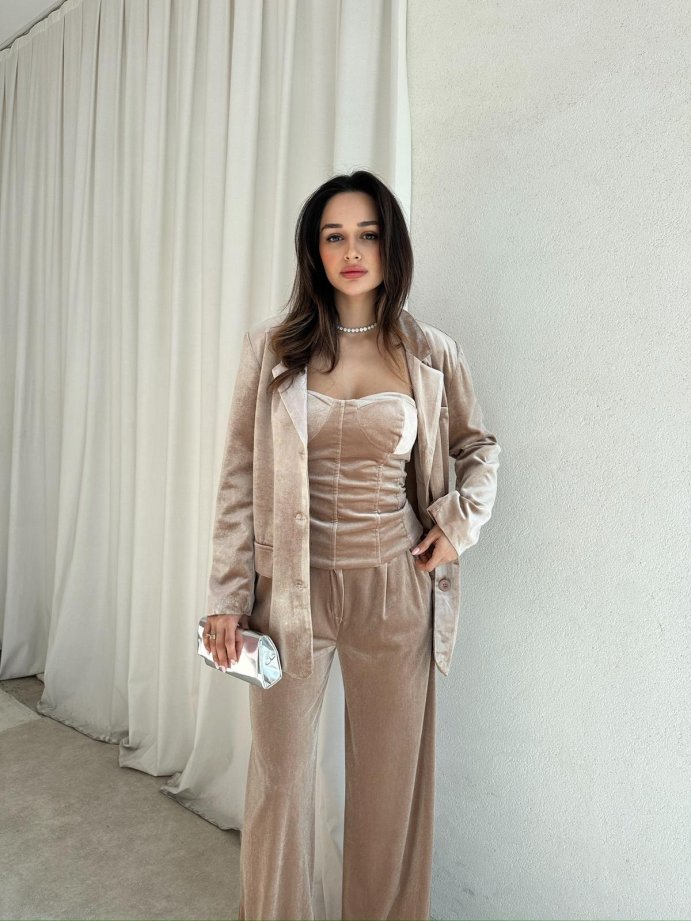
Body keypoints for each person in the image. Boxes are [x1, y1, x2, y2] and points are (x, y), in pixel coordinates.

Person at [202, 169, 501, 920]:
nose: (352, 250)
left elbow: (477, 449)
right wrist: (227, 597)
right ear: (314, 250)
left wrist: (456, 524)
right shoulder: (273, 350)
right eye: (334, 236)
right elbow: (239, 475)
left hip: (395, 589)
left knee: (389, 792)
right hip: (288, 599)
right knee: (279, 786)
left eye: (367, 234)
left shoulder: (429, 353)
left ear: (390, 244)